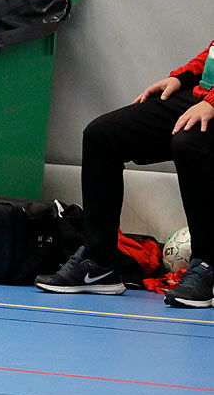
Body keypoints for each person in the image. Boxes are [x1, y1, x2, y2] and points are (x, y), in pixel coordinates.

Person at [36, 38, 214, 308]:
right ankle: (99, 263)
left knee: (190, 141)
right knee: (102, 136)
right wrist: (183, 76)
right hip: (204, 96)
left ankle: (209, 265)